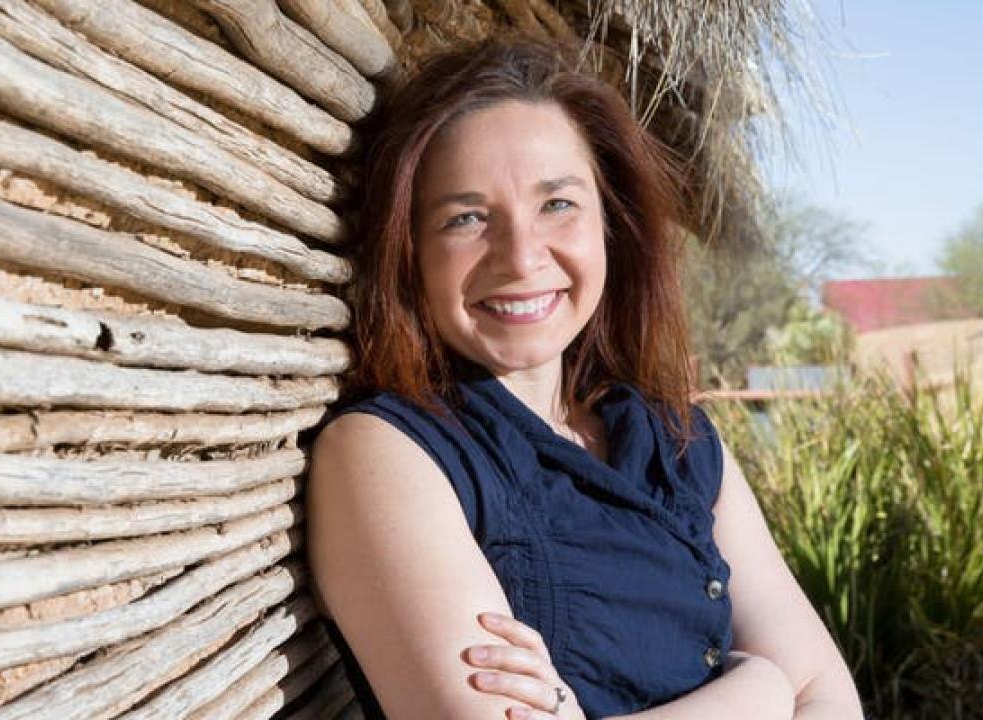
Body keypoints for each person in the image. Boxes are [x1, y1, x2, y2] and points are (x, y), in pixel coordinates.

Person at [304, 36, 864, 719]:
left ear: (610, 226)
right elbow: (794, 686)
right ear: (409, 251)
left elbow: (829, 699)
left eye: (557, 205)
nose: (520, 256)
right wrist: (760, 691)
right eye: (467, 218)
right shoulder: (385, 455)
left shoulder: (680, 441)